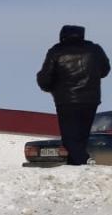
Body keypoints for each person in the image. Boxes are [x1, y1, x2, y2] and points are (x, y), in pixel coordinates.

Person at [36, 25, 111, 165]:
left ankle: (84, 160)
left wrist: (49, 87)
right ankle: (76, 165)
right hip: (90, 99)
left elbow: (45, 77)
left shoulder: (56, 51)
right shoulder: (95, 49)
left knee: (69, 138)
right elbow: (105, 70)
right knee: (82, 136)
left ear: (62, 36)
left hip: (66, 100)